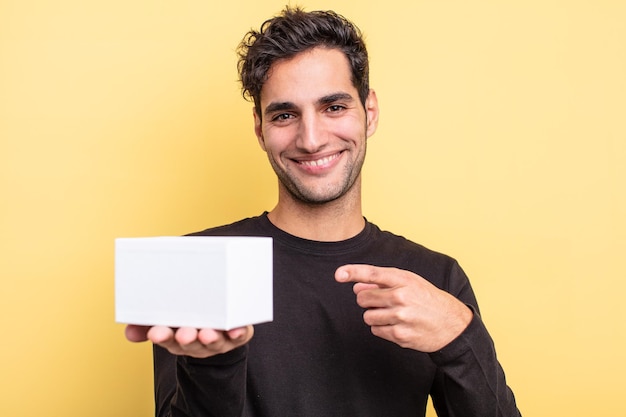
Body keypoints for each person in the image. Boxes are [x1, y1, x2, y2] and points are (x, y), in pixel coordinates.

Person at [126, 6, 521, 417]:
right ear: (260, 129)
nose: (311, 139)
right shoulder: (200, 265)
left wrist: (460, 336)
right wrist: (214, 362)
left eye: (333, 107)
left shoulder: (435, 278)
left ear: (369, 112)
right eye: (284, 115)